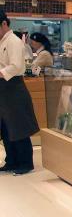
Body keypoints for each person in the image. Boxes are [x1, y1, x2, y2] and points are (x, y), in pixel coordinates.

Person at [0, 10, 40, 175]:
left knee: (18, 126)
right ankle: (11, 160)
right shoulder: (2, 41)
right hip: (3, 88)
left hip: (14, 87)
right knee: (6, 127)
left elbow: (16, 66)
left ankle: (25, 163)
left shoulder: (14, 41)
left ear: (4, 23)